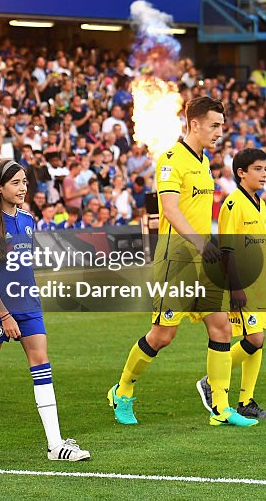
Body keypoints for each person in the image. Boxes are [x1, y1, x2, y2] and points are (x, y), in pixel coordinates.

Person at [107, 97, 257, 427]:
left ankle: (220, 407)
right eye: (215, 125)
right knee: (162, 336)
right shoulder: (170, 160)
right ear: (194, 124)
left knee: (220, 326)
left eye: (222, 125)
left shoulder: (203, 163)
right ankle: (123, 390)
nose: (220, 132)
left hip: (205, 260)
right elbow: (171, 211)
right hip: (176, 260)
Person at [0, 159, 90, 464]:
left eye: (24, 182)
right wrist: (5, 315)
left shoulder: (27, 220)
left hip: (28, 307)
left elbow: (23, 268)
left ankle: (55, 444)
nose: (22, 188)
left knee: (42, 365)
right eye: (15, 183)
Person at [197, 148, 266, 421]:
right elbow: (227, 250)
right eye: (257, 168)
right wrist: (235, 288)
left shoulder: (260, 203)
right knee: (254, 339)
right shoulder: (233, 204)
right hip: (242, 284)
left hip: (260, 282)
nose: (264, 173)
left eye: (265, 168)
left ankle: (246, 400)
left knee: (257, 340)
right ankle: (211, 380)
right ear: (241, 172)